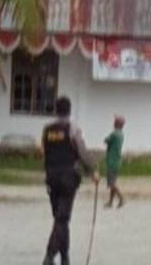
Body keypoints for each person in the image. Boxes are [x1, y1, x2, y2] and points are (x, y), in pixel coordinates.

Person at [41, 96, 98, 265]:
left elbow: (44, 151)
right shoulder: (73, 129)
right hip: (68, 177)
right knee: (62, 218)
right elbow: (82, 152)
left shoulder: (47, 130)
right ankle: (49, 255)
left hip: (51, 177)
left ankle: (65, 257)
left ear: (56, 110)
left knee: (60, 218)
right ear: (69, 110)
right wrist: (93, 171)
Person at [103, 115, 126, 209]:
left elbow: (106, 140)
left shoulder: (114, 134)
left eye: (115, 121)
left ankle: (121, 198)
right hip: (117, 160)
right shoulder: (121, 134)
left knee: (111, 183)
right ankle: (110, 202)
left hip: (112, 161)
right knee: (113, 182)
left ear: (117, 123)